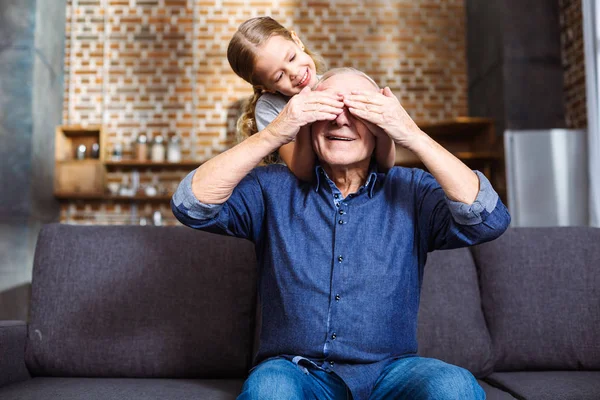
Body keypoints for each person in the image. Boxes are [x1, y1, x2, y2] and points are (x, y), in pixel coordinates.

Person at [172, 68, 511, 400]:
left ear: (380, 125)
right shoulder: (272, 189)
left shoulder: (413, 191)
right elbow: (190, 205)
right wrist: (277, 131)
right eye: (329, 109)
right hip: (296, 372)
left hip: (390, 372)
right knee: (270, 391)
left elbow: (489, 219)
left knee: (453, 387)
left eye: (357, 111)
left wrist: (410, 133)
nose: (340, 121)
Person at [227, 16, 396, 181]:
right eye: (279, 76)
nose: (294, 72)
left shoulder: (335, 83)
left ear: (297, 41)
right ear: (266, 87)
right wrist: (304, 121)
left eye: (292, 58)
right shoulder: (270, 107)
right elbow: (303, 172)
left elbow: (385, 165)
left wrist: (382, 131)